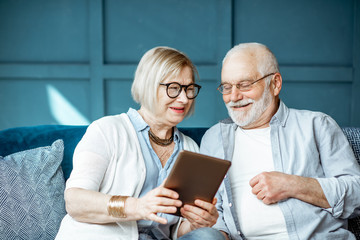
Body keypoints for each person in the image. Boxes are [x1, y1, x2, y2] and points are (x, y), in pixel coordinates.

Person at [56, 46, 224, 240]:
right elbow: (75, 201)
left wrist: (196, 222)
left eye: (189, 89)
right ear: (148, 86)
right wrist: (137, 207)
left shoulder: (190, 148)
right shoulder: (107, 129)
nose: (184, 98)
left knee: (209, 235)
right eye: (174, 88)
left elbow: (175, 232)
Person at [200, 42, 360, 239]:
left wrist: (292, 184)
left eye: (245, 85)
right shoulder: (213, 138)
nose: (233, 96)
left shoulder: (316, 125)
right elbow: (213, 210)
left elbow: (357, 193)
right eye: (226, 87)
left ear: (275, 84)